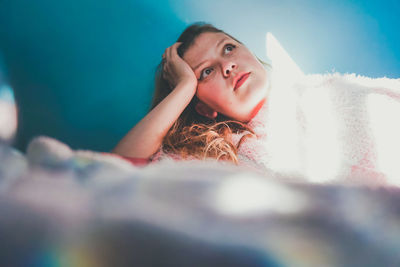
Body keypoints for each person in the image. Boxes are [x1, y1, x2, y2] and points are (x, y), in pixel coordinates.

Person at [112, 22, 271, 165]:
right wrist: (185, 86)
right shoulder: (202, 158)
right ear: (205, 109)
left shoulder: (294, 95)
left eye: (228, 48)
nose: (227, 65)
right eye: (207, 72)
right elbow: (112, 171)